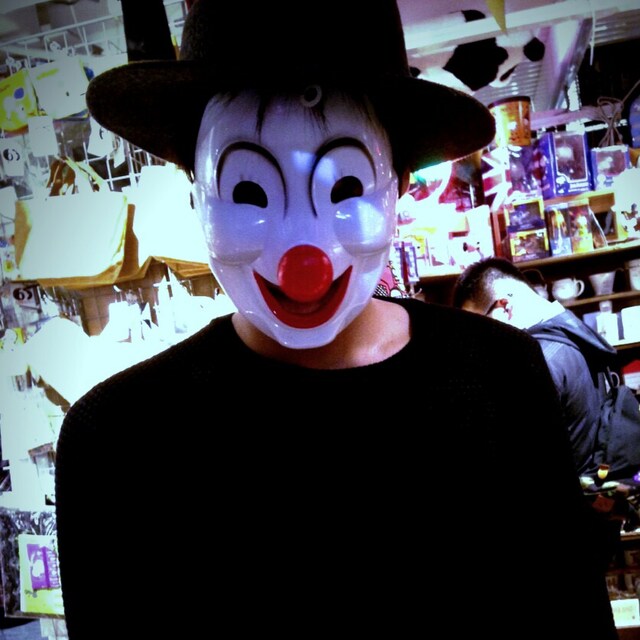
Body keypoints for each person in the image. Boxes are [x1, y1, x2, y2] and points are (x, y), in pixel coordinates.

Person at [54, 2, 618, 638]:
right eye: (249, 192)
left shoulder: (503, 375)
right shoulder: (117, 444)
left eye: (345, 188)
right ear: (195, 194)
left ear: (398, 185)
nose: (304, 255)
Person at [451, 256, 617, 478]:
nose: (478, 341)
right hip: (596, 482)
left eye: (478, 328)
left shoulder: (536, 361)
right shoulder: (572, 330)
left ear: (505, 306)